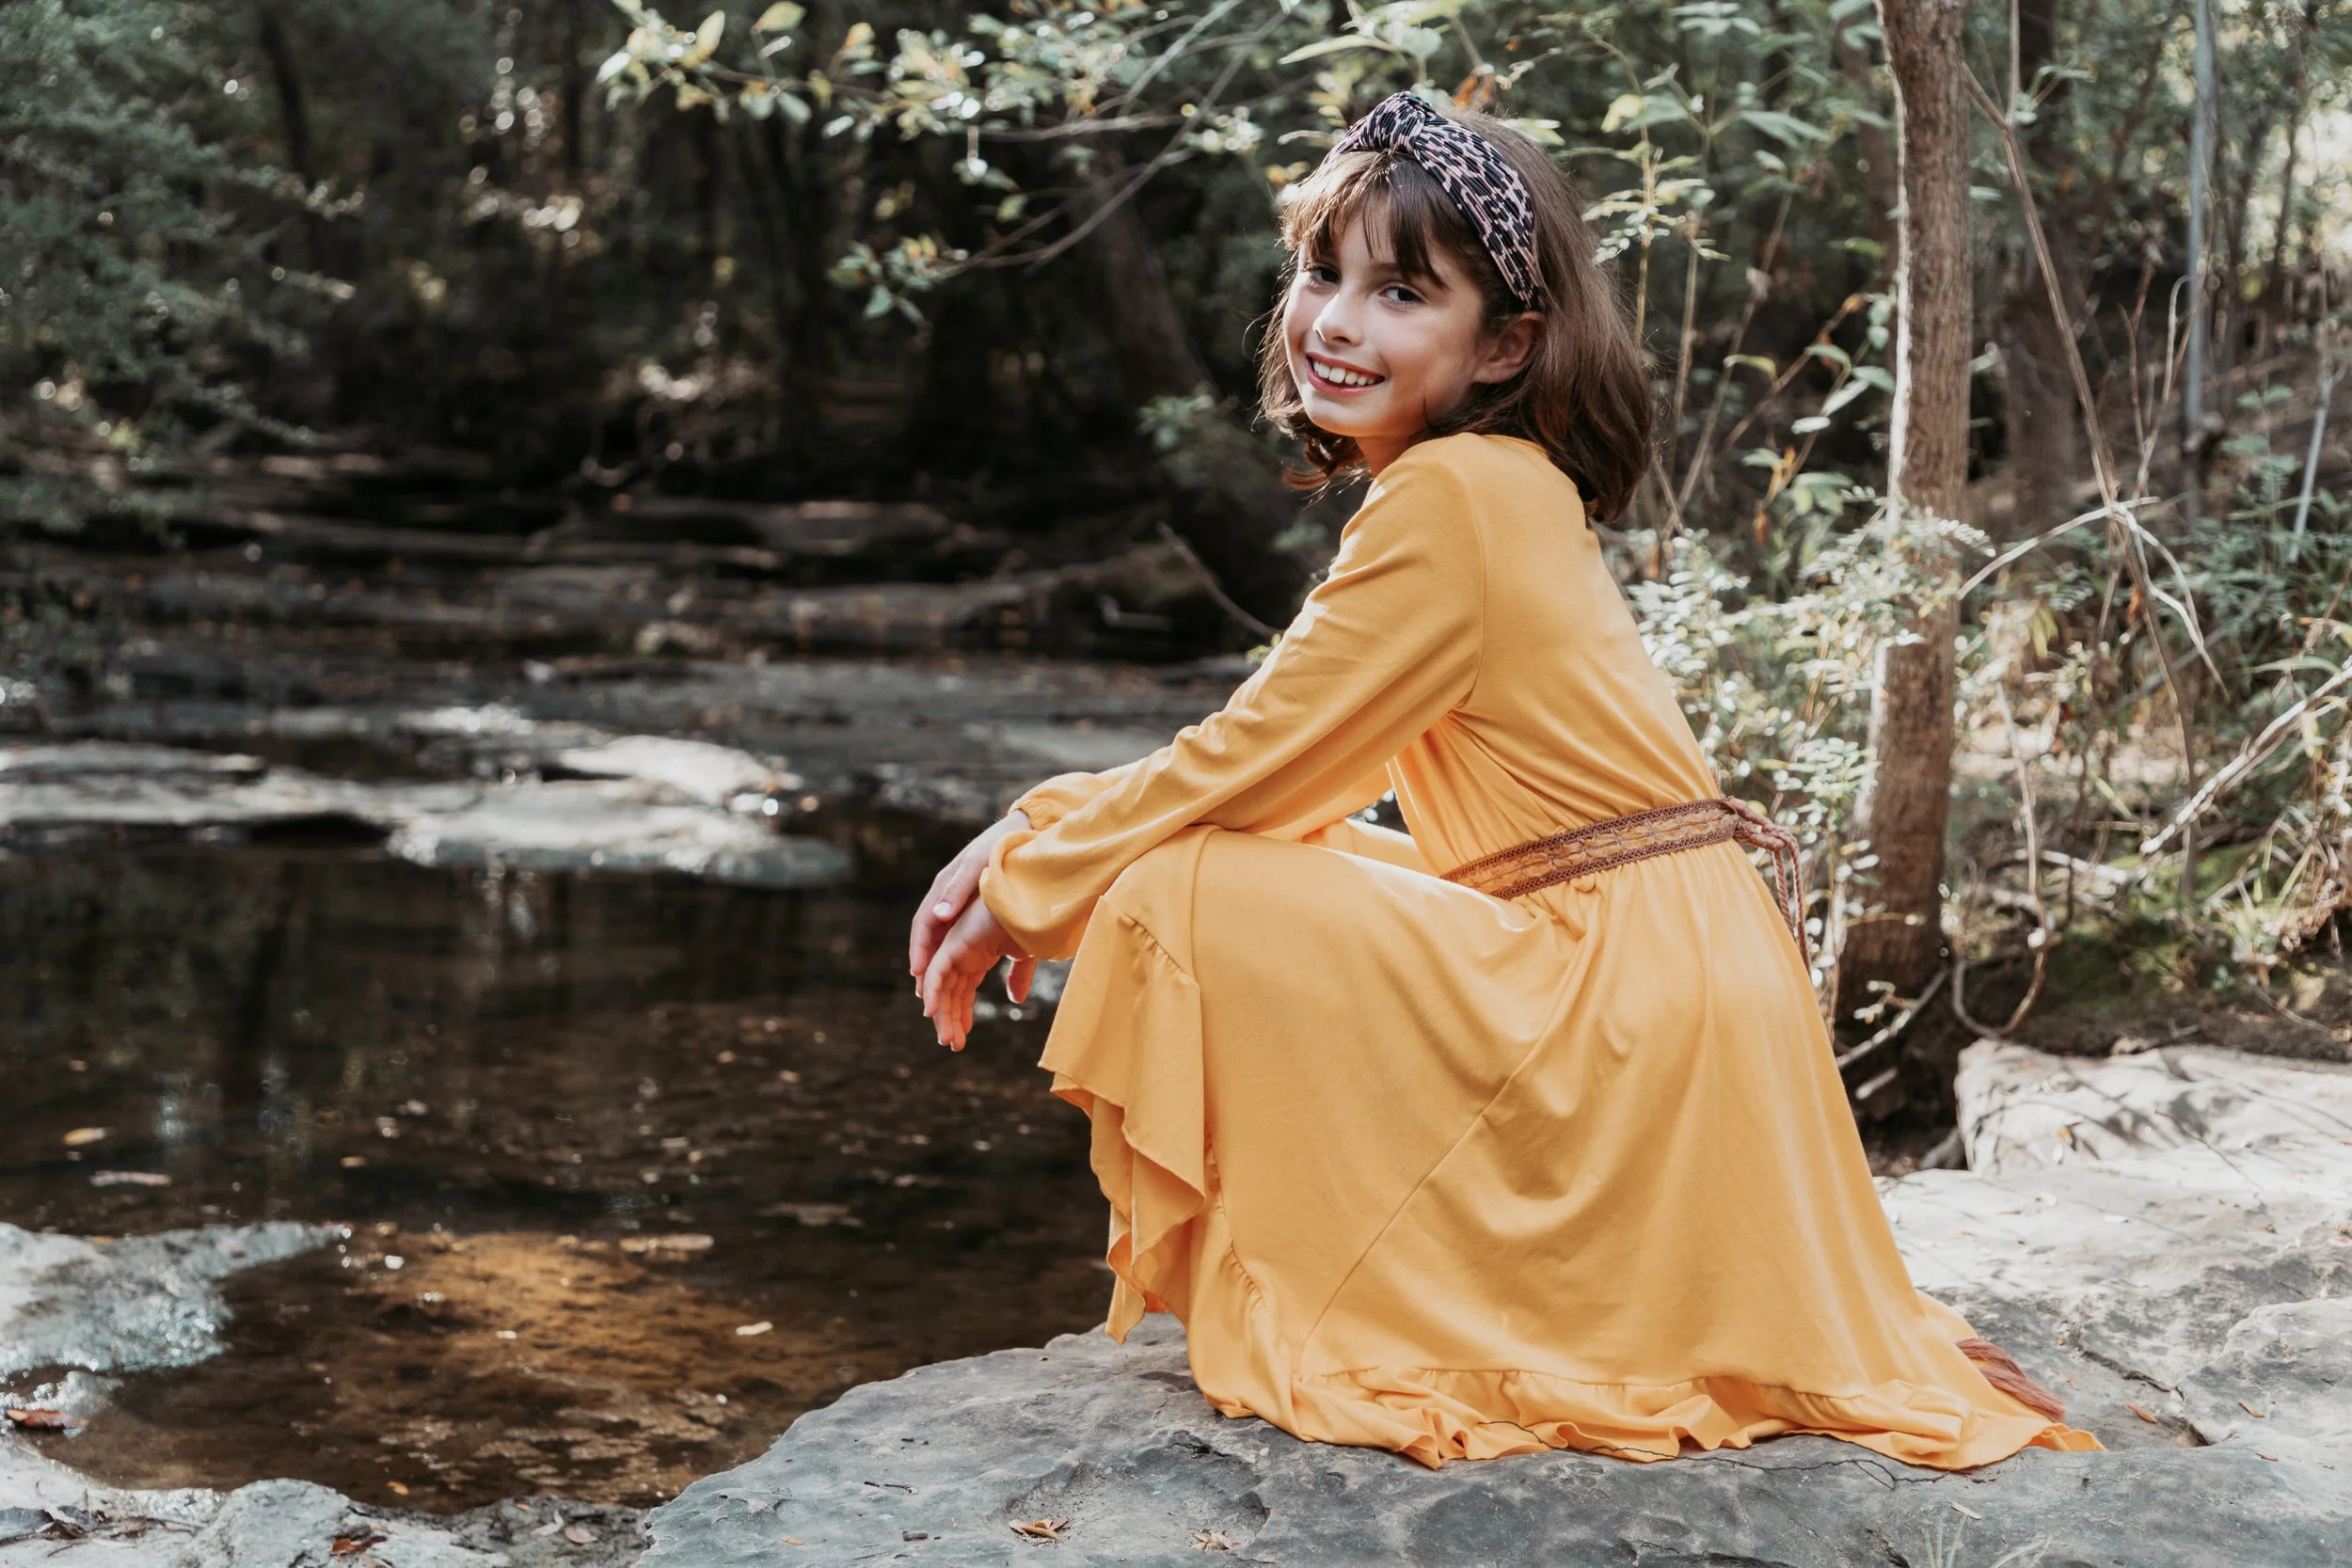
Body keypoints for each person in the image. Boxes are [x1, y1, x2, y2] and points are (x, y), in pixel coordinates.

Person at [906, 92, 2099, 1470]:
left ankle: (1399, 1292)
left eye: (1403, 292)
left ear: (1505, 345)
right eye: (1322, 272)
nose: (1337, 322)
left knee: (1176, 888)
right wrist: (1049, 831)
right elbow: (1295, 792)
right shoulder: (1498, 480)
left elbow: (1248, 764)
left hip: (1622, 999)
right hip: (1670, 970)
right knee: (1230, 863)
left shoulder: (1453, 496)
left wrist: (1031, 866)